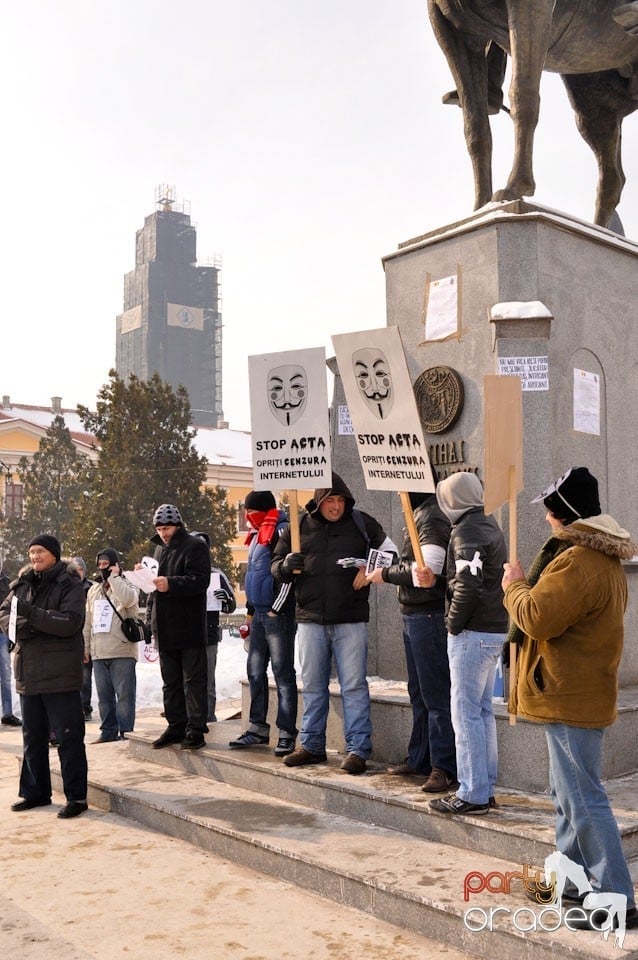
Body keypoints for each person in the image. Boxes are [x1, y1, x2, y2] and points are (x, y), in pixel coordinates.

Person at [502, 467, 638, 928]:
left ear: (568, 515)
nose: (546, 520)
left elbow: (537, 617)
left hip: (569, 694)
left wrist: (514, 585)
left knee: (583, 798)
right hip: (573, 691)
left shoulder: (578, 561)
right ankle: (577, 882)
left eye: (551, 512)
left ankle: (615, 897)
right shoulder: (598, 559)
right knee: (567, 796)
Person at [272, 473, 397, 774]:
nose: (336, 506)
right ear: (319, 500)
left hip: (350, 620)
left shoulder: (361, 522)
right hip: (310, 620)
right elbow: (274, 566)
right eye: (331, 500)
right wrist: (286, 565)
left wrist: (369, 568)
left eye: (341, 500)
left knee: (354, 685)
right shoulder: (298, 526)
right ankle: (312, 745)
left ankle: (357, 749)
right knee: (313, 685)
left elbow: (391, 552)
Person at [424, 473, 507, 816]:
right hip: (493, 630)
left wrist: (452, 625)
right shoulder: (488, 524)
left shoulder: (466, 531)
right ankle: (483, 787)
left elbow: (467, 585)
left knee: (466, 714)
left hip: (472, 633)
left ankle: (472, 793)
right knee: (482, 712)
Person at [366, 492, 456, 792]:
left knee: (435, 694)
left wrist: (385, 574)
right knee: (418, 692)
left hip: (427, 615)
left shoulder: (431, 516)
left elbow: (425, 572)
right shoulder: (418, 513)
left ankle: (443, 766)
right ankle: (420, 757)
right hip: (414, 614)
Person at [0, 535, 89, 818]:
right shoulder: (22, 584)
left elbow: (70, 623)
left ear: (54, 554)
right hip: (28, 672)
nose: (35, 556)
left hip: (60, 674)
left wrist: (32, 617)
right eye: (31, 552)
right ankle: (35, 792)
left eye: (40, 551)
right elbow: (5, 615)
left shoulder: (70, 584)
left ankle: (77, 797)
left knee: (68, 737)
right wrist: (30, 624)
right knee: (32, 737)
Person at [228, 491, 298, 757]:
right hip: (258, 614)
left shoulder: (280, 530)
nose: (246, 516)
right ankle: (257, 727)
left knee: (282, 674)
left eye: (250, 511)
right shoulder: (257, 535)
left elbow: (289, 574)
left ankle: (287, 732)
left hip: (276, 615)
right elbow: (254, 578)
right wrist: (249, 614)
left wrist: (276, 608)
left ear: (262, 510)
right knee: (255, 672)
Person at [145, 504, 210, 751]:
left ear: (178, 525)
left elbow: (200, 580)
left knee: (193, 680)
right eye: (160, 529)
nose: (163, 533)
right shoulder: (159, 550)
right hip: (165, 625)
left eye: (167, 528)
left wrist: (170, 584)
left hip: (188, 625)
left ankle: (195, 728)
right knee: (170, 681)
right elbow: (154, 590)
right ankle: (175, 726)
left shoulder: (195, 546)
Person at [83, 547, 139, 743]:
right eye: (99, 565)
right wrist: (86, 647)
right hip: (99, 652)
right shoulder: (93, 590)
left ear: (115, 565)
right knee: (104, 697)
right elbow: (88, 622)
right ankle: (108, 731)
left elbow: (129, 600)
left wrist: (115, 578)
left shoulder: (128, 584)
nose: (102, 568)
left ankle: (125, 732)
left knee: (124, 695)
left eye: (106, 564)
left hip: (122, 649)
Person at [191, 532, 237, 723]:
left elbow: (231, 605)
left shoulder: (216, 574)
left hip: (209, 634)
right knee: (189, 680)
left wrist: (224, 599)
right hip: (187, 634)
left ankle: (208, 717)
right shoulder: (183, 572)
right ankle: (190, 718)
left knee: (208, 680)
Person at [73, 556, 95, 721]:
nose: (78, 572)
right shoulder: (65, 586)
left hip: (87, 634)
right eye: (75, 569)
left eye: (80, 569)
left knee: (86, 675)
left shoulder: (92, 587)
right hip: (70, 634)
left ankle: (85, 707)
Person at [0, 565, 21, 726]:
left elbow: (12, 611)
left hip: (2, 634)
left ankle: (7, 713)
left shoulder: (8, 584)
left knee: (6, 675)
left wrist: (11, 635)